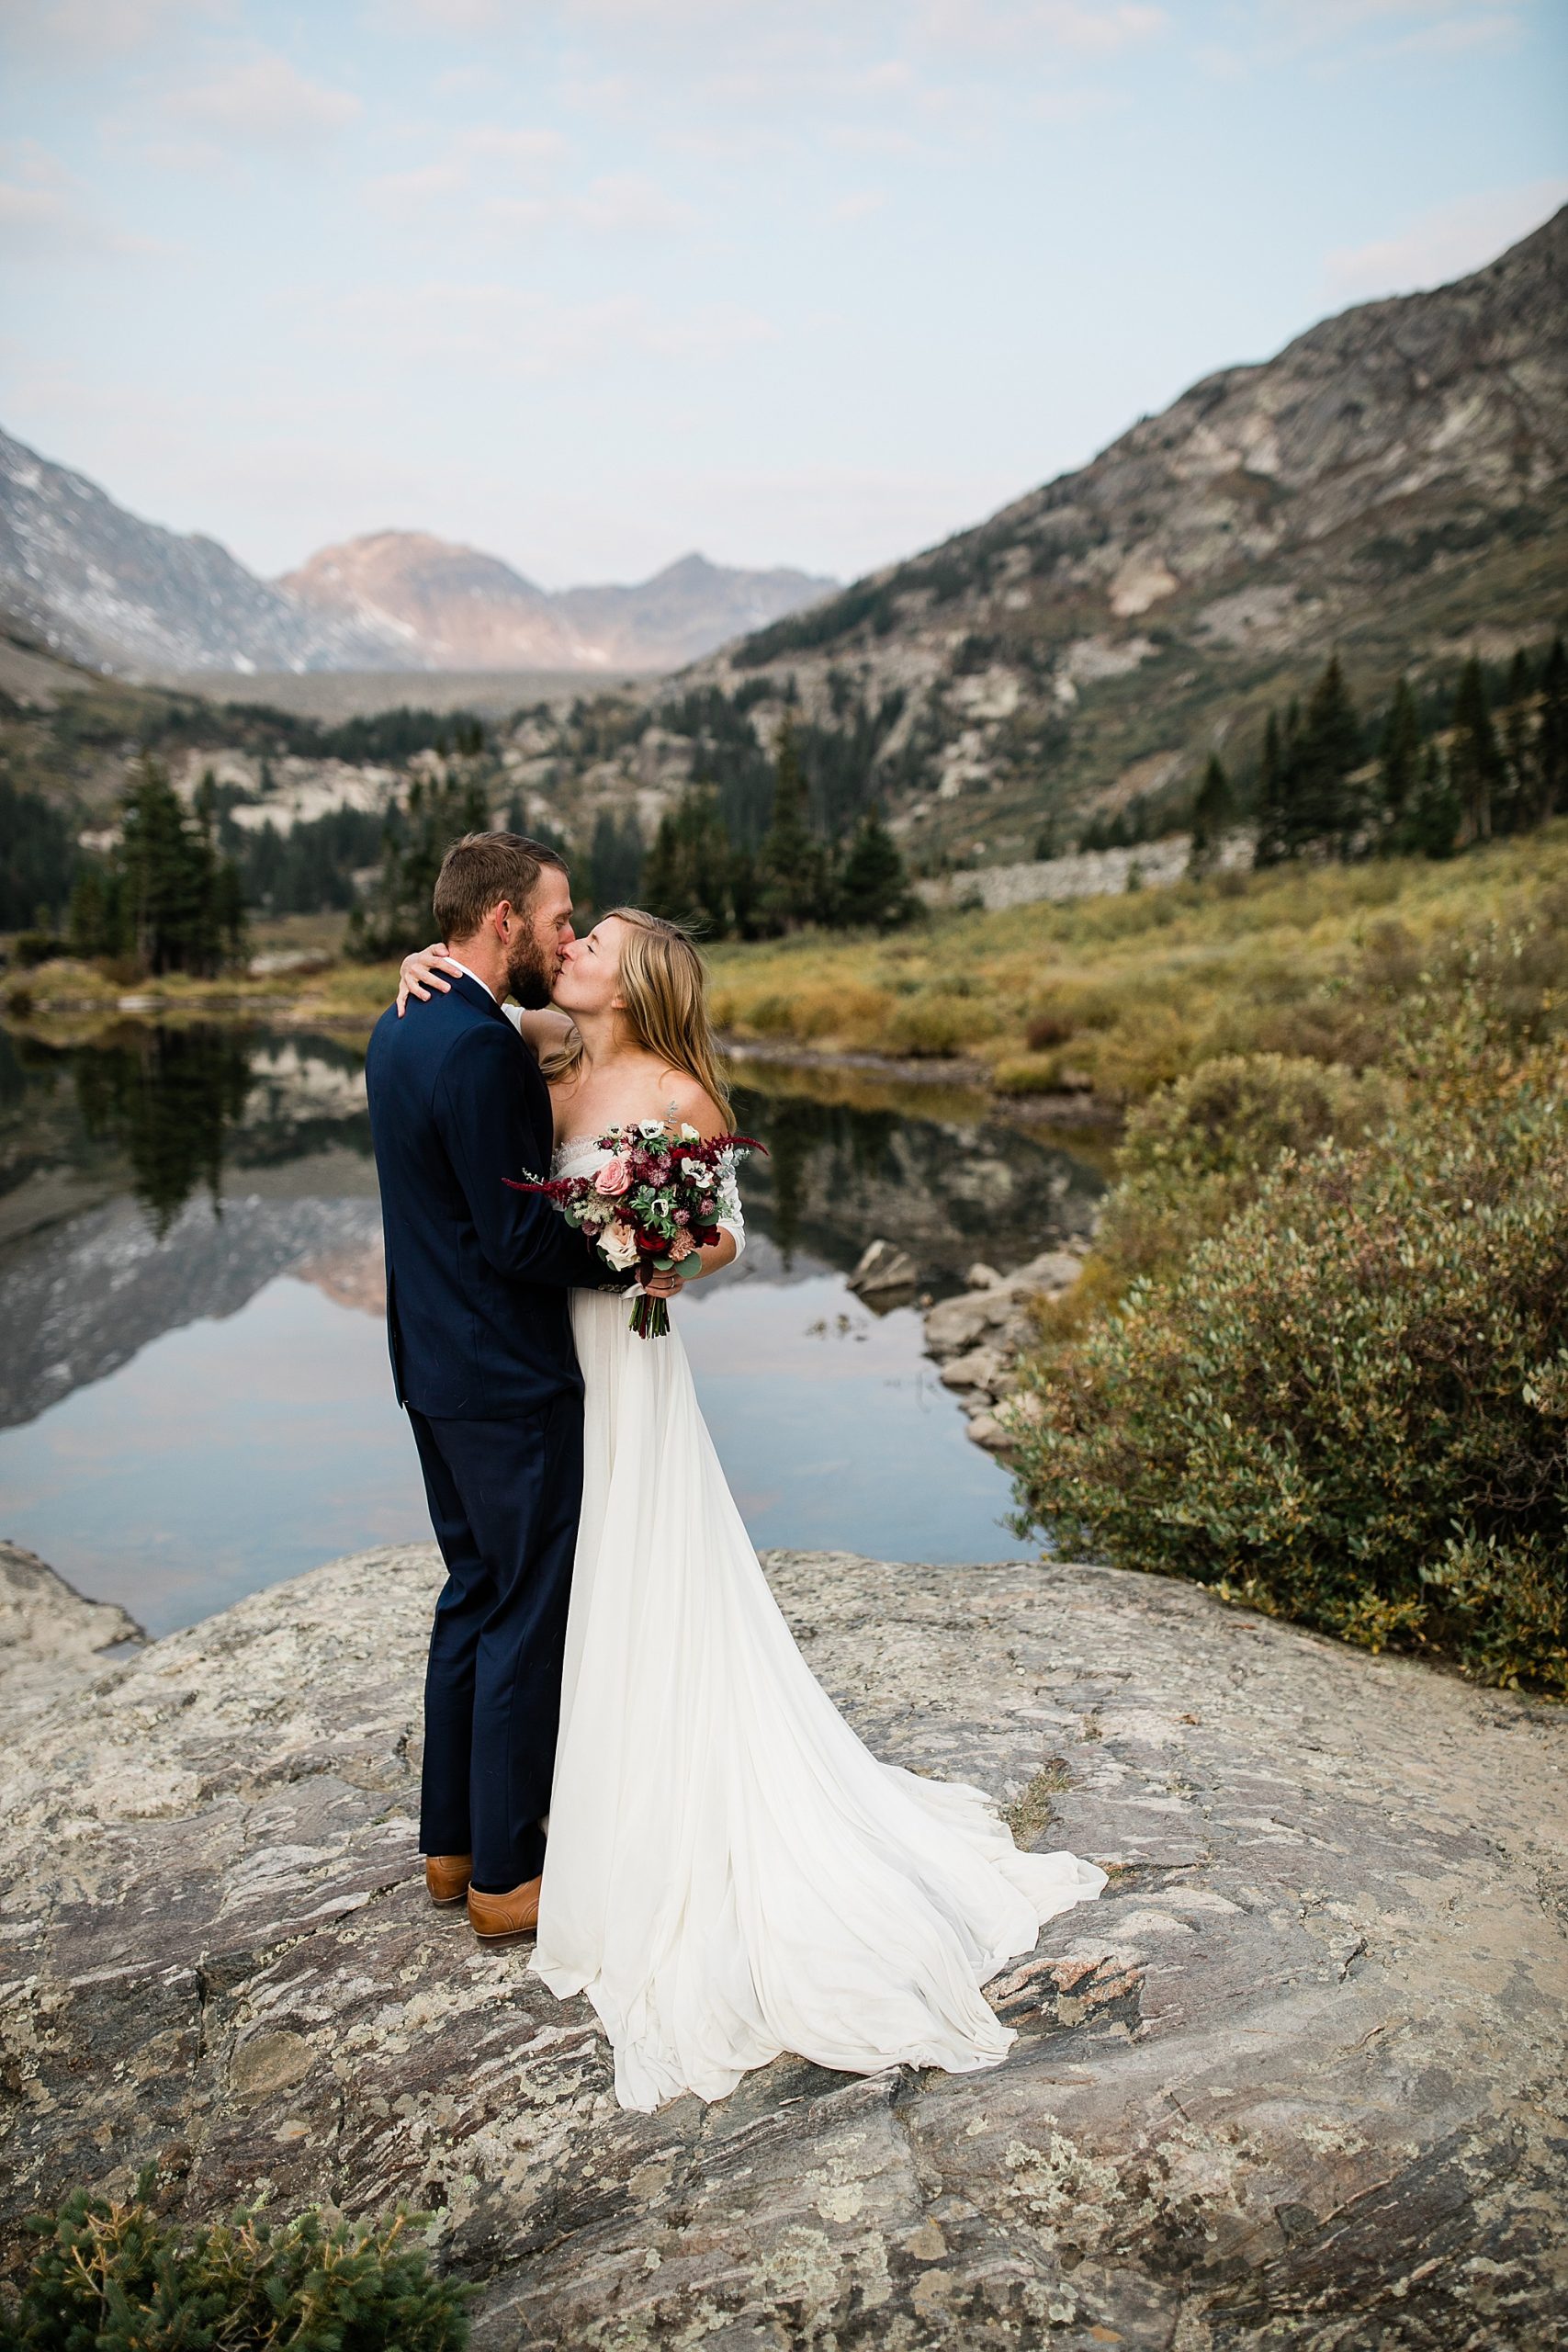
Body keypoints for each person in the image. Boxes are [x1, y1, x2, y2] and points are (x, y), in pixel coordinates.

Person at [395, 873, 1106, 2112]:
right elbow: (464, 1004)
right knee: (558, 1585)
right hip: (539, 1358)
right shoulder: (546, 1057)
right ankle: (547, 1818)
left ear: (639, 977)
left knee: (630, 1569)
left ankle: (618, 1826)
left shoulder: (678, 1092)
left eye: (594, 940)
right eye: (566, 928)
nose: (571, 946)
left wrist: (664, 1250)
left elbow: (719, 1233)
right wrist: (419, 960)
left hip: (622, 1353)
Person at [365, 832, 678, 1943]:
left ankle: (449, 1847)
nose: (566, 929)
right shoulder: (486, 1051)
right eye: (556, 914)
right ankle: (508, 1875)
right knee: (524, 1612)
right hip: (506, 1375)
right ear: (502, 920)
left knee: (470, 1592)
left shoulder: (402, 1022)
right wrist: (628, 1253)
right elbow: (510, 1234)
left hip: (432, 1371)